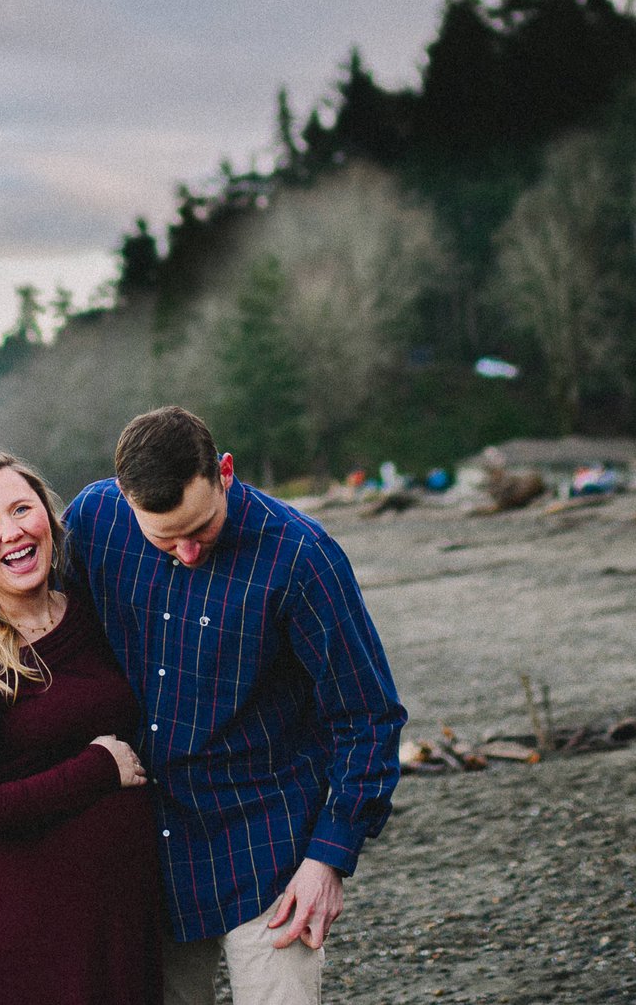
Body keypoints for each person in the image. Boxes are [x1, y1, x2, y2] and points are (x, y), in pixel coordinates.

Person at [65, 406, 406, 1005]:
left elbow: (367, 717)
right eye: (164, 538)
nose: (188, 552)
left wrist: (330, 857)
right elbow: (53, 642)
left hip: (269, 856)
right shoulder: (94, 521)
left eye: (201, 528)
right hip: (149, 855)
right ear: (123, 497)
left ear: (225, 472)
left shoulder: (302, 558)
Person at [0, 449, 164, 1005]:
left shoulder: (90, 613)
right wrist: (97, 769)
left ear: (48, 515)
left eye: (22, 509)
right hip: (15, 941)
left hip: (109, 926)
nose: (11, 532)